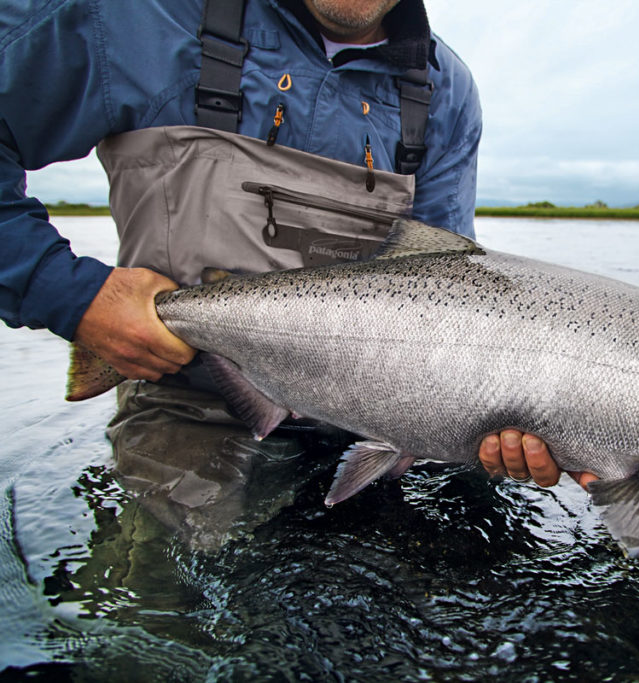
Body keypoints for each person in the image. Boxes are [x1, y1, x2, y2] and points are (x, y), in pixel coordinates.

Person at [0, 0, 593, 546]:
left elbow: (447, 282)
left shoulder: (446, 89)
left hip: (378, 416)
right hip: (185, 399)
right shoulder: (134, 16)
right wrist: (75, 297)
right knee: (178, 613)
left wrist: (482, 421)